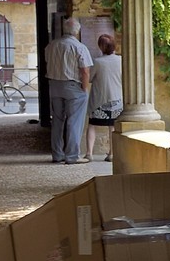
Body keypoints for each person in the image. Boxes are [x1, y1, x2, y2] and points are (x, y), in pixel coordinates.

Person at [43, 18, 93, 163]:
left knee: (57, 121)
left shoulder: (51, 45)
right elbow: (85, 71)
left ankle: (57, 154)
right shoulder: (80, 47)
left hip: (54, 85)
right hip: (73, 87)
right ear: (77, 31)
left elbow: (47, 62)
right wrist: (85, 88)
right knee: (74, 121)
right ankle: (72, 156)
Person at [85, 33, 123, 162]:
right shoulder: (121, 60)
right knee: (112, 127)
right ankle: (112, 154)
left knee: (91, 125)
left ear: (101, 47)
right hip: (117, 99)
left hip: (99, 100)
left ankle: (89, 153)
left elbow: (89, 78)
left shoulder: (97, 62)